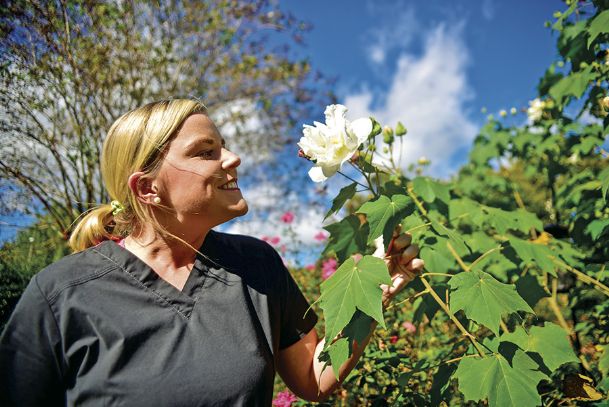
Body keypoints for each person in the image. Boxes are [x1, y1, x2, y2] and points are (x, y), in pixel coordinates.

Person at [0, 99, 423, 406]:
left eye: (224, 145)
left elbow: (314, 377)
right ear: (147, 188)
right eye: (207, 152)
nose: (234, 158)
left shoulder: (257, 265)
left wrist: (375, 296)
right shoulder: (60, 295)